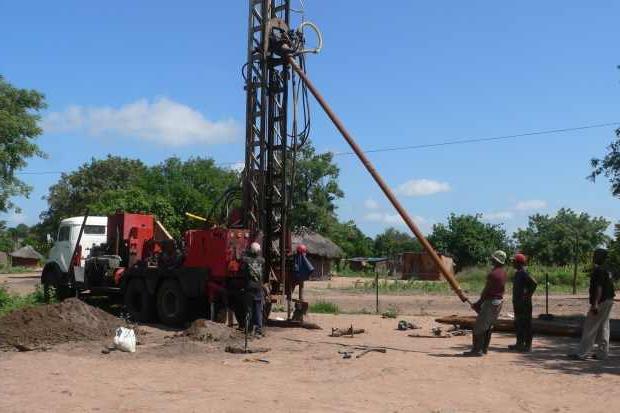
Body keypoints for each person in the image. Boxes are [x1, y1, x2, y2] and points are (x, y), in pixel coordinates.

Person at [569, 248, 616, 360]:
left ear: (600, 257)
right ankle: (602, 353)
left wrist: (595, 304)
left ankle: (582, 353)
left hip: (601, 301)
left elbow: (599, 288)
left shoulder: (598, 270)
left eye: (596, 255)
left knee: (590, 327)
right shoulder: (607, 270)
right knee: (604, 326)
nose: (593, 257)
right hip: (609, 299)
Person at [463, 250, 508, 357]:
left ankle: (476, 350)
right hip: (498, 302)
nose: (491, 260)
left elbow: (487, 291)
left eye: (493, 258)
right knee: (488, 326)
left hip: (491, 302)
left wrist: (478, 303)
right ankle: (484, 349)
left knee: (479, 327)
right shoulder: (503, 272)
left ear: (496, 260)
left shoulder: (493, 274)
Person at [509, 253, 537, 352]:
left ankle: (527, 345)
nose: (512, 263)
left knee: (526, 324)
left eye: (514, 261)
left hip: (524, 304)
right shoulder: (518, 272)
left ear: (518, 263)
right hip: (518, 303)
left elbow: (534, 283)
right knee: (519, 323)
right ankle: (519, 343)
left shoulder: (523, 272)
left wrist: (528, 295)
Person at [241, 242, 266, 337]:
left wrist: (246, 251)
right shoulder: (262, 260)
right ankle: (259, 330)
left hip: (249, 288)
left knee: (249, 309)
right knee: (258, 309)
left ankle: (249, 329)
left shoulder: (247, 260)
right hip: (259, 288)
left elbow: (241, 257)